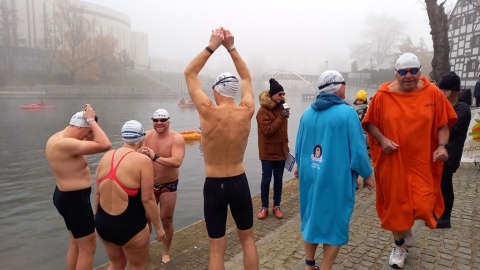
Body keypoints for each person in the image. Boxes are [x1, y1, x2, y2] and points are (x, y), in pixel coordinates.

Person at [362, 53, 457, 269]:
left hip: (421, 161)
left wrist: (443, 146)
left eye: (413, 70)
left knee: (423, 204)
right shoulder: (382, 96)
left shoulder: (432, 93)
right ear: (396, 73)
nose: (408, 76)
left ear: (420, 72)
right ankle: (398, 246)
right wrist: (383, 140)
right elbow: (370, 124)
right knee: (396, 207)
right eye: (403, 71)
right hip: (392, 162)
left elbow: (443, 125)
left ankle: (406, 230)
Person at [184, 27, 259, 270]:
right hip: (239, 181)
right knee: (247, 239)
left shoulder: (208, 111)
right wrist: (232, 47)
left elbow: (189, 73)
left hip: (214, 184)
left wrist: (212, 45)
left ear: (216, 90)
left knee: (216, 247)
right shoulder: (246, 110)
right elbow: (246, 78)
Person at [293, 70, 375, 270]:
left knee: (311, 218)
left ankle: (309, 265)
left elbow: (299, 146)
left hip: (310, 177)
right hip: (336, 180)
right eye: (344, 84)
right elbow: (357, 150)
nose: (346, 87)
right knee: (335, 224)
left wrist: (298, 167)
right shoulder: (347, 113)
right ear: (338, 87)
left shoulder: (307, 114)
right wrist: (368, 174)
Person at [45, 104, 112, 270]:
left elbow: (92, 140)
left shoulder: (57, 138)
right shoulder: (67, 144)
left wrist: (89, 123)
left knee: (76, 243)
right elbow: (105, 144)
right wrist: (90, 119)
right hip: (74, 200)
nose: (90, 136)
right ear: (78, 126)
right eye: (88, 131)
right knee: (88, 247)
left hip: (65, 196)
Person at [95, 120, 165, 269]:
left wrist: (97, 219)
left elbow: (97, 194)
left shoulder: (106, 156)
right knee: (137, 266)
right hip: (131, 226)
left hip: (103, 223)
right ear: (142, 138)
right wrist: (159, 228)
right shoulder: (143, 161)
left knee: (115, 263)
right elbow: (148, 199)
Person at [140, 108, 185, 264]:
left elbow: (177, 161)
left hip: (169, 184)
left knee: (166, 219)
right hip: (149, 184)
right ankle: (144, 252)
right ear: (152, 121)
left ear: (168, 121)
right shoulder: (145, 136)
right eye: (156, 120)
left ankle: (165, 251)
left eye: (162, 120)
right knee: (145, 220)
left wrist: (155, 156)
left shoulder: (176, 138)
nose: (159, 123)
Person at [436, 72, 472, 228]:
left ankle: (445, 217)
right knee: (438, 183)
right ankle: (438, 211)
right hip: (442, 151)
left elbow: (452, 130)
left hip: (451, 153)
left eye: (444, 90)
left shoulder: (462, 109)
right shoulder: (447, 105)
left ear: (452, 90)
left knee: (445, 184)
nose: (442, 93)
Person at [256, 78, 290, 220]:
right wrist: (282, 117)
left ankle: (277, 206)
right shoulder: (262, 112)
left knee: (279, 179)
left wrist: (286, 149)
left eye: (283, 94)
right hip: (268, 153)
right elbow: (268, 130)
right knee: (266, 179)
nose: (282, 97)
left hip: (281, 153)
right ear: (272, 95)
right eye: (280, 94)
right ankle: (264, 206)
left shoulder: (282, 109)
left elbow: (283, 132)